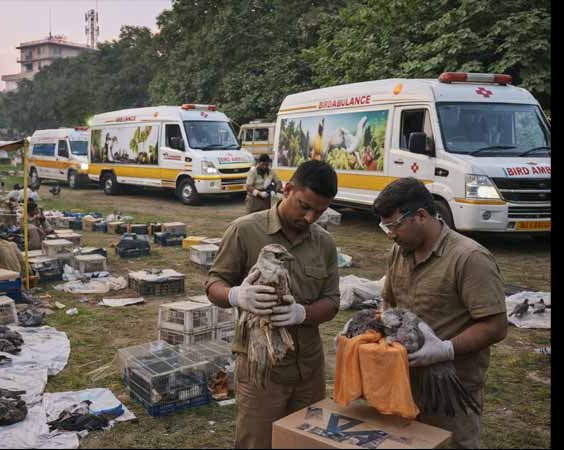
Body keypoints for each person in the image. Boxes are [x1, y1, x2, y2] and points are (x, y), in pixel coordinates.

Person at [206, 160, 341, 448]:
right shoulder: (244, 230)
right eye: (304, 206)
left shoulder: (325, 243)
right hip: (261, 370)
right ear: (288, 189)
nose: (310, 217)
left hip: (309, 369)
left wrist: (302, 313)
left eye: (320, 211)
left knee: (306, 442)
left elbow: (332, 301)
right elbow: (213, 284)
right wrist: (236, 295)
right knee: (258, 442)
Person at [372, 177, 507, 449]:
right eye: (385, 227)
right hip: (403, 383)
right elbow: (388, 302)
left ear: (421, 216)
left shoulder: (470, 258)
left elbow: (495, 326)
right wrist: (378, 328)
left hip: (450, 392)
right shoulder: (399, 251)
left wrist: (445, 349)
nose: (390, 235)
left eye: (394, 226)